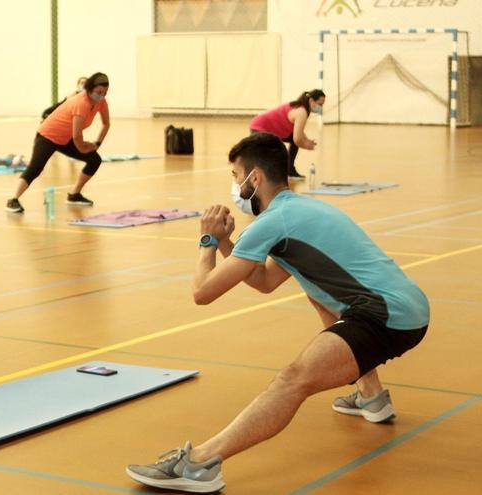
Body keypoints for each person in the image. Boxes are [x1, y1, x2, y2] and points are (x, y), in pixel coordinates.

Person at [125, 132, 429, 493]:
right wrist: (226, 243)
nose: (234, 188)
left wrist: (207, 241)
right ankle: (371, 396)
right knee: (318, 292)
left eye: (236, 178)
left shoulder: (272, 222)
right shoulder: (299, 210)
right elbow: (265, 280)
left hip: (384, 316)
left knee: (292, 380)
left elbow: (202, 293)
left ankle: (199, 464)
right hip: (405, 308)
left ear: (255, 179)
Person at [5, 72, 110, 213]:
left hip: (65, 139)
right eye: (99, 92)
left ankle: (74, 195)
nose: (101, 95)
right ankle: (13, 199)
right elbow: (77, 135)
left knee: (94, 159)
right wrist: (83, 147)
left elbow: (106, 124)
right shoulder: (81, 103)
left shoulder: (101, 102)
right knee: (36, 168)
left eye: (104, 92)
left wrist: (96, 144)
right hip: (48, 135)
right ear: (90, 89)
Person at [249, 89, 325, 180]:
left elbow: (299, 132)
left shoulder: (300, 107)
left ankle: (290, 171)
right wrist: (306, 145)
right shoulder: (301, 112)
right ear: (311, 101)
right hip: (259, 128)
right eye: (320, 104)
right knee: (273, 151)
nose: (320, 107)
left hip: (268, 128)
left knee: (289, 144)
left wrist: (307, 140)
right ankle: (262, 176)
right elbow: (297, 139)